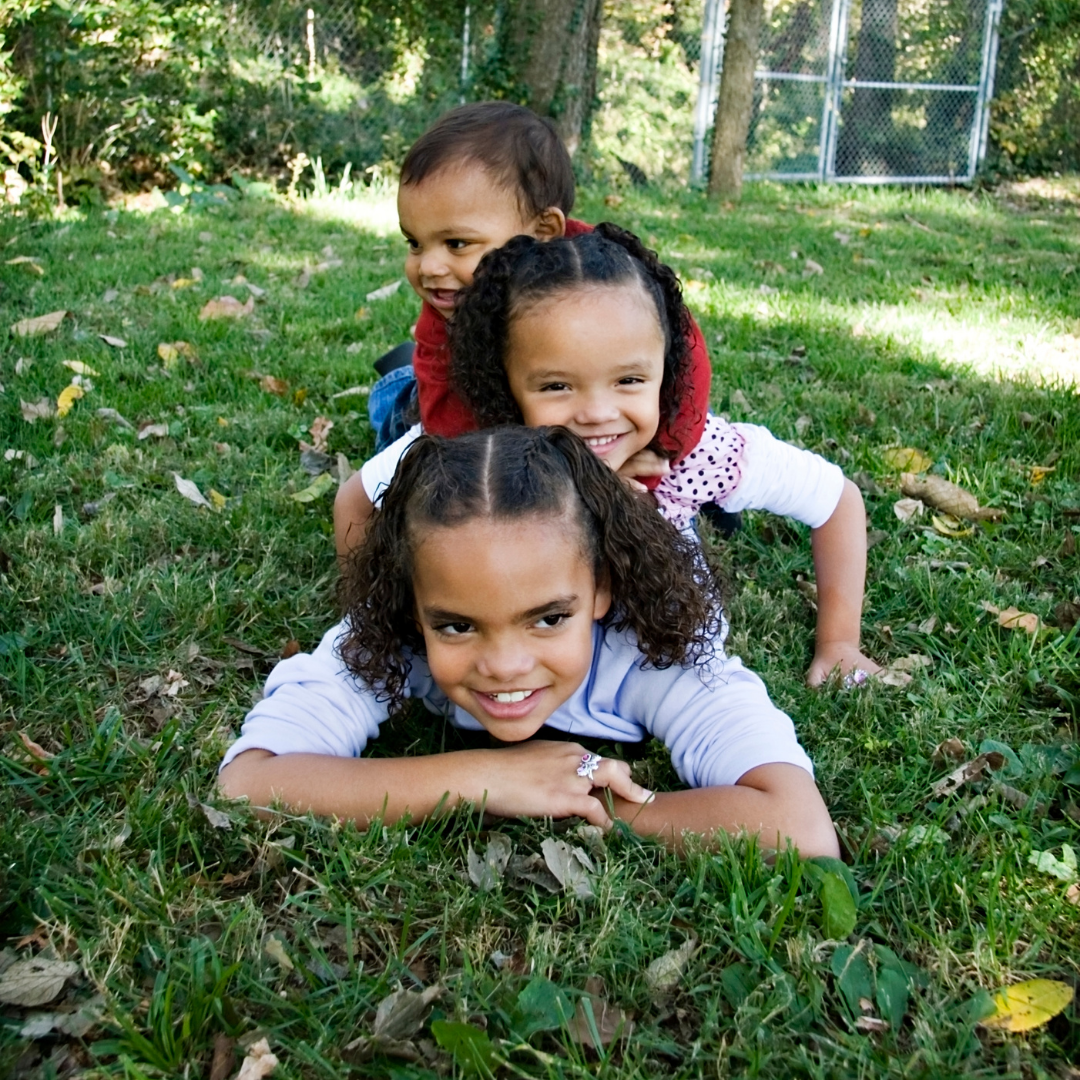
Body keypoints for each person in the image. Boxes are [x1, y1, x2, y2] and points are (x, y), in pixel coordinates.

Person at [221, 427, 838, 856]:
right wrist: (479, 777)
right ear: (412, 605)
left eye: (547, 619)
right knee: (405, 402)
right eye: (457, 626)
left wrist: (602, 807)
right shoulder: (391, 637)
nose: (505, 666)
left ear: (603, 591)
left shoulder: (656, 652)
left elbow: (798, 825)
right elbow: (248, 782)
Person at [349, 227, 882, 688]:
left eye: (629, 380)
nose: (598, 414)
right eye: (557, 386)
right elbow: (355, 500)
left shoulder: (693, 456)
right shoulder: (476, 460)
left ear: (666, 369)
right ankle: (401, 380)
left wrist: (839, 642)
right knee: (401, 405)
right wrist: (382, 622)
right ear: (506, 385)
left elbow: (836, 500)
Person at [337, 100, 729, 550]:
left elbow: (685, 358)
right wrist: (564, 474)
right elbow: (452, 430)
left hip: (573, 401)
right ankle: (395, 382)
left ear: (544, 230)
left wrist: (661, 451)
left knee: (676, 433)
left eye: (457, 243)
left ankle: (709, 494)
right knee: (404, 417)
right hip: (473, 401)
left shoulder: (605, 280)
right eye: (415, 243)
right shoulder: (449, 310)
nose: (428, 266)